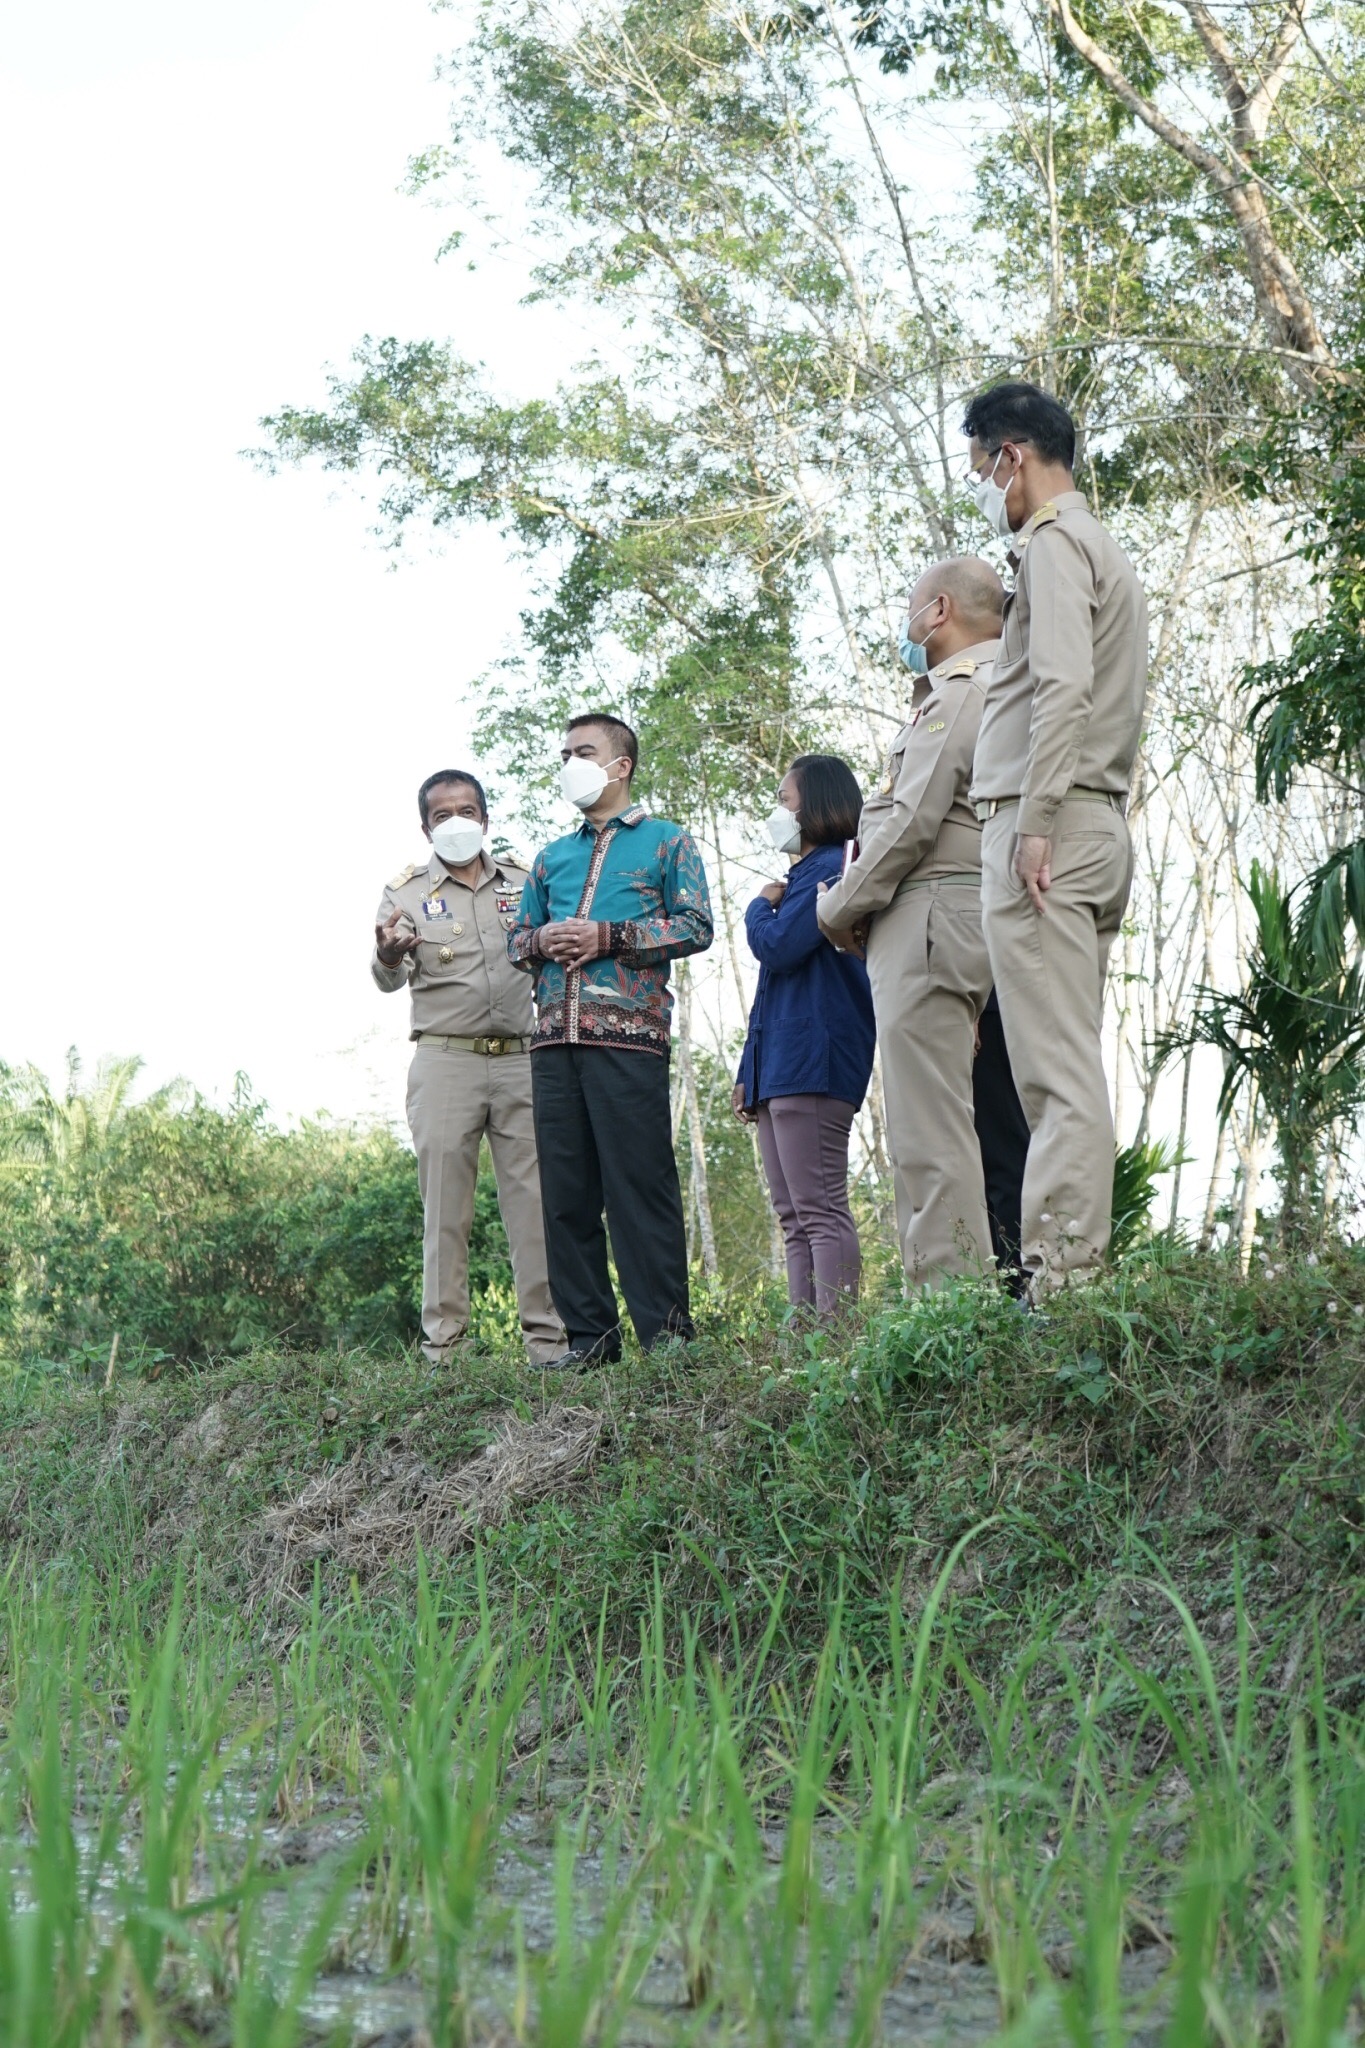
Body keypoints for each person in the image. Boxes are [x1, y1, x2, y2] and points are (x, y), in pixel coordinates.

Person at [963, 379, 1148, 1298]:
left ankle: (1062, 1281)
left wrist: (1032, 823)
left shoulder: (1053, 544)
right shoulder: (1099, 545)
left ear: (1012, 456)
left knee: (1051, 1072)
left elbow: (1063, 688)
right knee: (1065, 1059)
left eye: (979, 469)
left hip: (1049, 827)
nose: (982, 488)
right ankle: (1067, 1275)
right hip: (1092, 822)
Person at [818, 559, 1021, 1288]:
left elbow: (911, 819)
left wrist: (838, 908)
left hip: (931, 911)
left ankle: (948, 1308)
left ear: (937, 611)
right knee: (966, 1123)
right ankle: (983, 1295)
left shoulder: (960, 691)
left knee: (927, 1129)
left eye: (910, 609)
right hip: (972, 912)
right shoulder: (1014, 680)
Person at [508, 712, 713, 1368]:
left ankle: (668, 1342)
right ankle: (589, 1342)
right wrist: (542, 938)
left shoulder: (667, 842)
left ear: (620, 766)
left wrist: (610, 936)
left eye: (584, 751)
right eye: (565, 753)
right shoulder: (549, 858)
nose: (570, 762)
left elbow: (695, 925)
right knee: (565, 1196)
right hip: (551, 1040)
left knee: (639, 1189)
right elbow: (517, 941)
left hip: (629, 1041)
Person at [373, 769, 564, 1367]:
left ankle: (549, 1343)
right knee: (445, 1208)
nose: (455, 822)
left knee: (535, 1204)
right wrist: (387, 956)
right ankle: (445, 1349)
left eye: (466, 811)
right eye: (442, 815)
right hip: (445, 1061)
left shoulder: (526, 881)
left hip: (522, 1059)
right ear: (425, 827)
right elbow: (386, 976)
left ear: (485, 818)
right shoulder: (405, 893)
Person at [732, 756, 876, 1317]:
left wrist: (755, 909)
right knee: (793, 1215)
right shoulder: (799, 878)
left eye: (784, 799)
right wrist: (749, 1072)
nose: (778, 811)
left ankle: (835, 1342)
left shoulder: (836, 870)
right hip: (778, 1065)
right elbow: (771, 991)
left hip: (814, 1059)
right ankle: (803, 1342)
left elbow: (780, 947)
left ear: (816, 804)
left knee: (820, 1210)